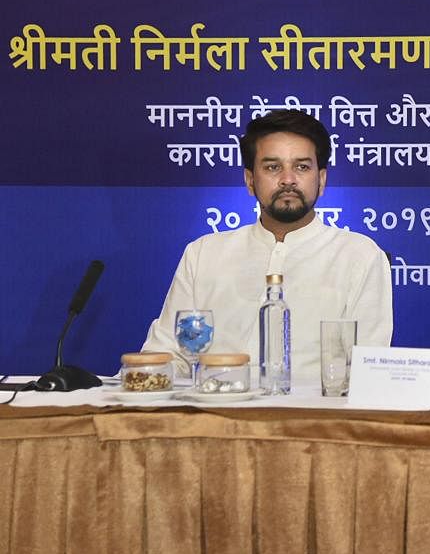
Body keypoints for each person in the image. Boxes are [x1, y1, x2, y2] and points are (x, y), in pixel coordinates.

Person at [143, 109, 393, 383]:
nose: (288, 179)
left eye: (302, 167)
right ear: (250, 181)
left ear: (321, 180)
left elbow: (369, 370)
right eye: (273, 167)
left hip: (315, 420)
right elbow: (167, 355)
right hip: (213, 417)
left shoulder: (360, 256)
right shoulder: (203, 254)